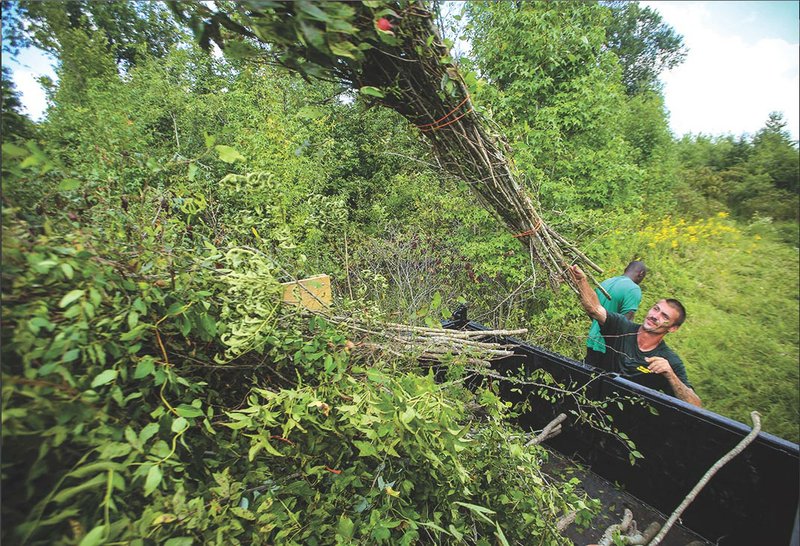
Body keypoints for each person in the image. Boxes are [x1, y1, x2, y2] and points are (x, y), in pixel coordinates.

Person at [570, 264, 702, 408]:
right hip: (590, 403)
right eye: (656, 309)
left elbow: (695, 405)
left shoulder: (669, 361)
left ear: (673, 328)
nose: (655, 316)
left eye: (664, 316)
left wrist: (670, 375)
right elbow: (594, 309)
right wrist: (581, 280)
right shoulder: (622, 327)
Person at [585, 261, 647, 371]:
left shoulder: (606, 282)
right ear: (641, 274)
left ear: (626, 269)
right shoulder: (633, 289)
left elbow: (592, 310)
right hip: (610, 347)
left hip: (592, 339)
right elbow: (625, 323)